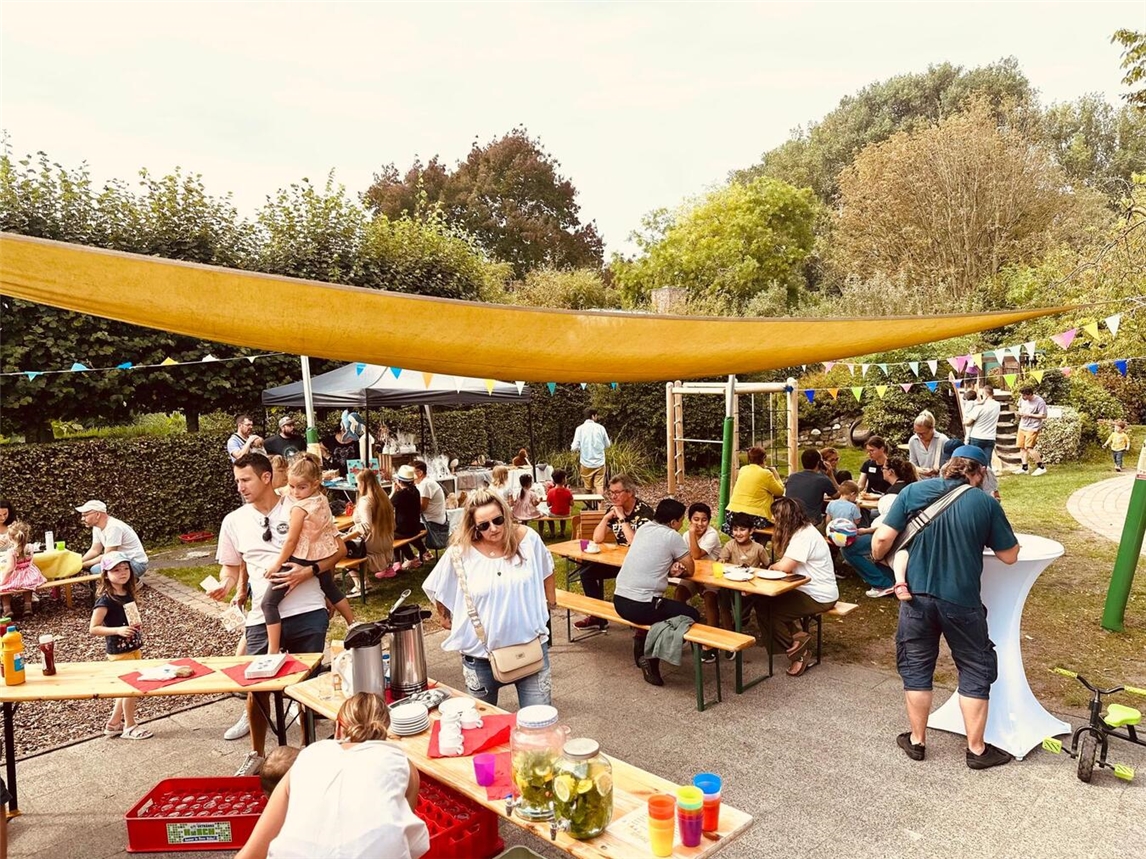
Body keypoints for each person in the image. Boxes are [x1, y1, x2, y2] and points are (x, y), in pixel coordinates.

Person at [871, 444, 1020, 770]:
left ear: (948, 465)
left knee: (916, 665)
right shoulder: (985, 502)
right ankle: (976, 749)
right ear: (980, 473)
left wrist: (881, 559)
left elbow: (881, 540)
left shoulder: (912, 492)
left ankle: (917, 740)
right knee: (974, 666)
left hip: (915, 597)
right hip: (961, 601)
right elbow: (1010, 556)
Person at [210, 452, 338, 777]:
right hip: (261, 618)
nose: (240, 487)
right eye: (237, 481)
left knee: (307, 686)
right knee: (257, 689)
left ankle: (307, 750)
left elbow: (338, 550)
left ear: (266, 477)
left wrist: (309, 573)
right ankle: (256, 753)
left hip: (307, 610)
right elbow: (230, 568)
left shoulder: (302, 503)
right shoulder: (233, 521)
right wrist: (225, 585)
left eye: (245, 480)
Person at [237, 693, 429, 859]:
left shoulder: (309, 756)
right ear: (385, 730)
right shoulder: (402, 763)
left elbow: (251, 854)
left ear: (337, 728)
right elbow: (400, 836)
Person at [422, 489, 556, 708]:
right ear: (473, 526)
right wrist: (445, 617)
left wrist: (550, 602)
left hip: (531, 647)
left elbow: (547, 568)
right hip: (481, 656)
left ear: (505, 515)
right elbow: (438, 585)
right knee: (480, 722)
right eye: (484, 525)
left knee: (538, 722)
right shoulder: (461, 552)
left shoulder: (528, 540)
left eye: (498, 520)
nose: (493, 528)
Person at [261, 454, 353, 655]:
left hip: (301, 556)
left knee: (268, 603)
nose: (295, 492)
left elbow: (291, 541)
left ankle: (273, 649)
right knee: (330, 586)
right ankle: (352, 622)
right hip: (322, 553)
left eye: (300, 487)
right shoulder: (321, 499)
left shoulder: (299, 508)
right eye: (292, 487)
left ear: (315, 483)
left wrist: (277, 564)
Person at [613, 498, 697, 686]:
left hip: (619, 600)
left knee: (663, 611)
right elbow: (691, 569)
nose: (682, 524)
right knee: (691, 615)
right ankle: (650, 658)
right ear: (673, 522)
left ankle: (640, 638)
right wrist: (678, 568)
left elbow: (652, 560)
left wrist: (670, 569)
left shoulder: (643, 529)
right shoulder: (672, 536)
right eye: (681, 520)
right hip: (641, 606)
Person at [763, 498, 839, 677]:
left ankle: (798, 652)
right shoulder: (804, 531)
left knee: (769, 610)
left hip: (819, 595)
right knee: (763, 601)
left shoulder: (804, 536)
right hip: (806, 589)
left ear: (785, 519)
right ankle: (798, 638)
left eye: (775, 517)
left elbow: (784, 567)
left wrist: (771, 567)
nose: (773, 521)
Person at [573, 474, 655, 631]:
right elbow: (597, 538)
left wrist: (622, 518)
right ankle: (597, 616)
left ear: (630, 493)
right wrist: (606, 518)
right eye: (611, 492)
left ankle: (640, 622)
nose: (613, 496)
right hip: (620, 562)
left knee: (629, 581)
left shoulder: (644, 512)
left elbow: (635, 543)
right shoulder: (614, 509)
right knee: (586, 571)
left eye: (617, 492)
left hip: (641, 564)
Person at [89, 552, 152, 740]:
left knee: (126, 688)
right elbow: (94, 628)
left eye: (125, 568)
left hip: (133, 647)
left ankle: (114, 723)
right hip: (119, 652)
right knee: (129, 689)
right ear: (106, 574)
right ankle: (130, 726)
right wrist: (118, 630)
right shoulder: (105, 600)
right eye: (116, 570)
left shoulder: (127, 593)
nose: (123, 572)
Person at [672, 502, 723, 657]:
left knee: (709, 598)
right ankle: (682, 631)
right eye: (696, 519)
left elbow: (696, 555)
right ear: (690, 520)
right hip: (693, 575)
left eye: (704, 520)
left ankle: (711, 643)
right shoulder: (685, 535)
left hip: (711, 576)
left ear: (709, 521)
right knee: (679, 594)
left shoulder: (712, 535)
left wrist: (692, 534)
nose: (700, 524)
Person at [715, 512, 771, 639]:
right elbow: (721, 560)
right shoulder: (730, 545)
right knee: (722, 596)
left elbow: (767, 565)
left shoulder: (758, 548)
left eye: (742, 529)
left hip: (750, 586)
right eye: (735, 529)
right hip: (731, 584)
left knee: (752, 603)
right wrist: (722, 561)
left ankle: (742, 619)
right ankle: (729, 631)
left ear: (751, 531)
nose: (738, 533)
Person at [342, 468, 395, 592]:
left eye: (357, 483)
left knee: (341, 549)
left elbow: (366, 526)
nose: (357, 487)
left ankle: (360, 584)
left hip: (372, 545)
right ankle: (364, 581)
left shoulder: (365, 501)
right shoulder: (383, 498)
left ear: (363, 483)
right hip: (386, 541)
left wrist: (344, 538)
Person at [722, 445, 785, 536]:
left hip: (731, 515)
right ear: (764, 458)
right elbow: (780, 491)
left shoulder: (743, 469)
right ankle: (759, 544)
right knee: (766, 533)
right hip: (753, 517)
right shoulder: (766, 474)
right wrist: (776, 474)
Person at [77, 500, 149, 577]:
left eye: (85, 515)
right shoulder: (97, 527)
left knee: (95, 569)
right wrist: (78, 562)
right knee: (93, 567)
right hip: (121, 561)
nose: (82, 519)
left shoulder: (114, 527)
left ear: (97, 514)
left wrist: (81, 565)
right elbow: (95, 550)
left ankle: (129, 582)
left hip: (137, 564)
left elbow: (108, 556)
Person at [385, 466, 430, 575]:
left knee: (389, 535)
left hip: (405, 530)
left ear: (399, 481)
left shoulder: (400, 494)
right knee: (394, 533)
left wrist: (393, 491)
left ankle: (406, 559)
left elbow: (386, 506)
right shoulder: (415, 491)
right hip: (415, 527)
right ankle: (403, 560)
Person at [0, 521, 45, 617]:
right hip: (30, 576)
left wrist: (3, 581)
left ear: (10, 538)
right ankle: (28, 607)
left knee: (3, 588)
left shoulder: (11, 552)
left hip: (17, 577)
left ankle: (7, 609)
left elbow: (10, 569)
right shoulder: (30, 547)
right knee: (28, 586)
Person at [784, 449, 837, 525]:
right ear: (819, 463)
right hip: (811, 524)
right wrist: (831, 475)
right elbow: (837, 496)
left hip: (791, 522)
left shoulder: (792, 477)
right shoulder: (822, 479)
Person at [571, 407, 612, 497]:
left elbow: (574, 448)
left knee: (587, 487)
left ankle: (589, 504)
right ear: (593, 416)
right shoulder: (601, 428)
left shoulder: (579, 429)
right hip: (599, 462)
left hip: (585, 463)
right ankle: (600, 505)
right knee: (599, 485)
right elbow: (607, 445)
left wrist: (582, 448)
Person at [413, 460, 448, 556]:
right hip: (434, 519)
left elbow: (422, 508)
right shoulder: (425, 483)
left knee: (404, 530)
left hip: (432, 522)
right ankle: (423, 552)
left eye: (411, 472)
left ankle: (419, 554)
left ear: (420, 473)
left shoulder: (426, 484)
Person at [963, 385, 1001, 465]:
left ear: (985, 394)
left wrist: (964, 421)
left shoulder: (979, 407)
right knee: (987, 462)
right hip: (990, 437)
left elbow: (968, 422)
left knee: (974, 462)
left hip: (977, 436)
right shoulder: (997, 405)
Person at [1017, 385, 1048, 476]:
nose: (1023, 397)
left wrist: (1029, 415)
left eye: (1025, 395)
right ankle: (1024, 468)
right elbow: (1019, 406)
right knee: (1022, 447)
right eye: (1022, 395)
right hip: (1022, 426)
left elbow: (1043, 415)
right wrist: (1020, 412)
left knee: (1029, 448)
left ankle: (1041, 467)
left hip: (1033, 427)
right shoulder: (1022, 398)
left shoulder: (1040, 401)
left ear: (1030, 394)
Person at [908, 411, 949, 478]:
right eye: (917, 433)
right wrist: (922, 471)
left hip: (940, 481)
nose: (920, 436)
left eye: (923, 433)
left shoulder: (943, 440)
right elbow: (912, 464)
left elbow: (950, 465)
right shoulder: (913, 441)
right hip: (920, 481)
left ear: (932, 428)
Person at [545, 469, 574, 537]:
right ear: (563, 480)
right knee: (563, 518)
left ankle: (552, 533)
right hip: (566, 514)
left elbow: (548, 504)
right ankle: (562, 532)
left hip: (554, 514)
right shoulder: (568, 491)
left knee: (548, 516)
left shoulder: (550, 491)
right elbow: (572, 504)